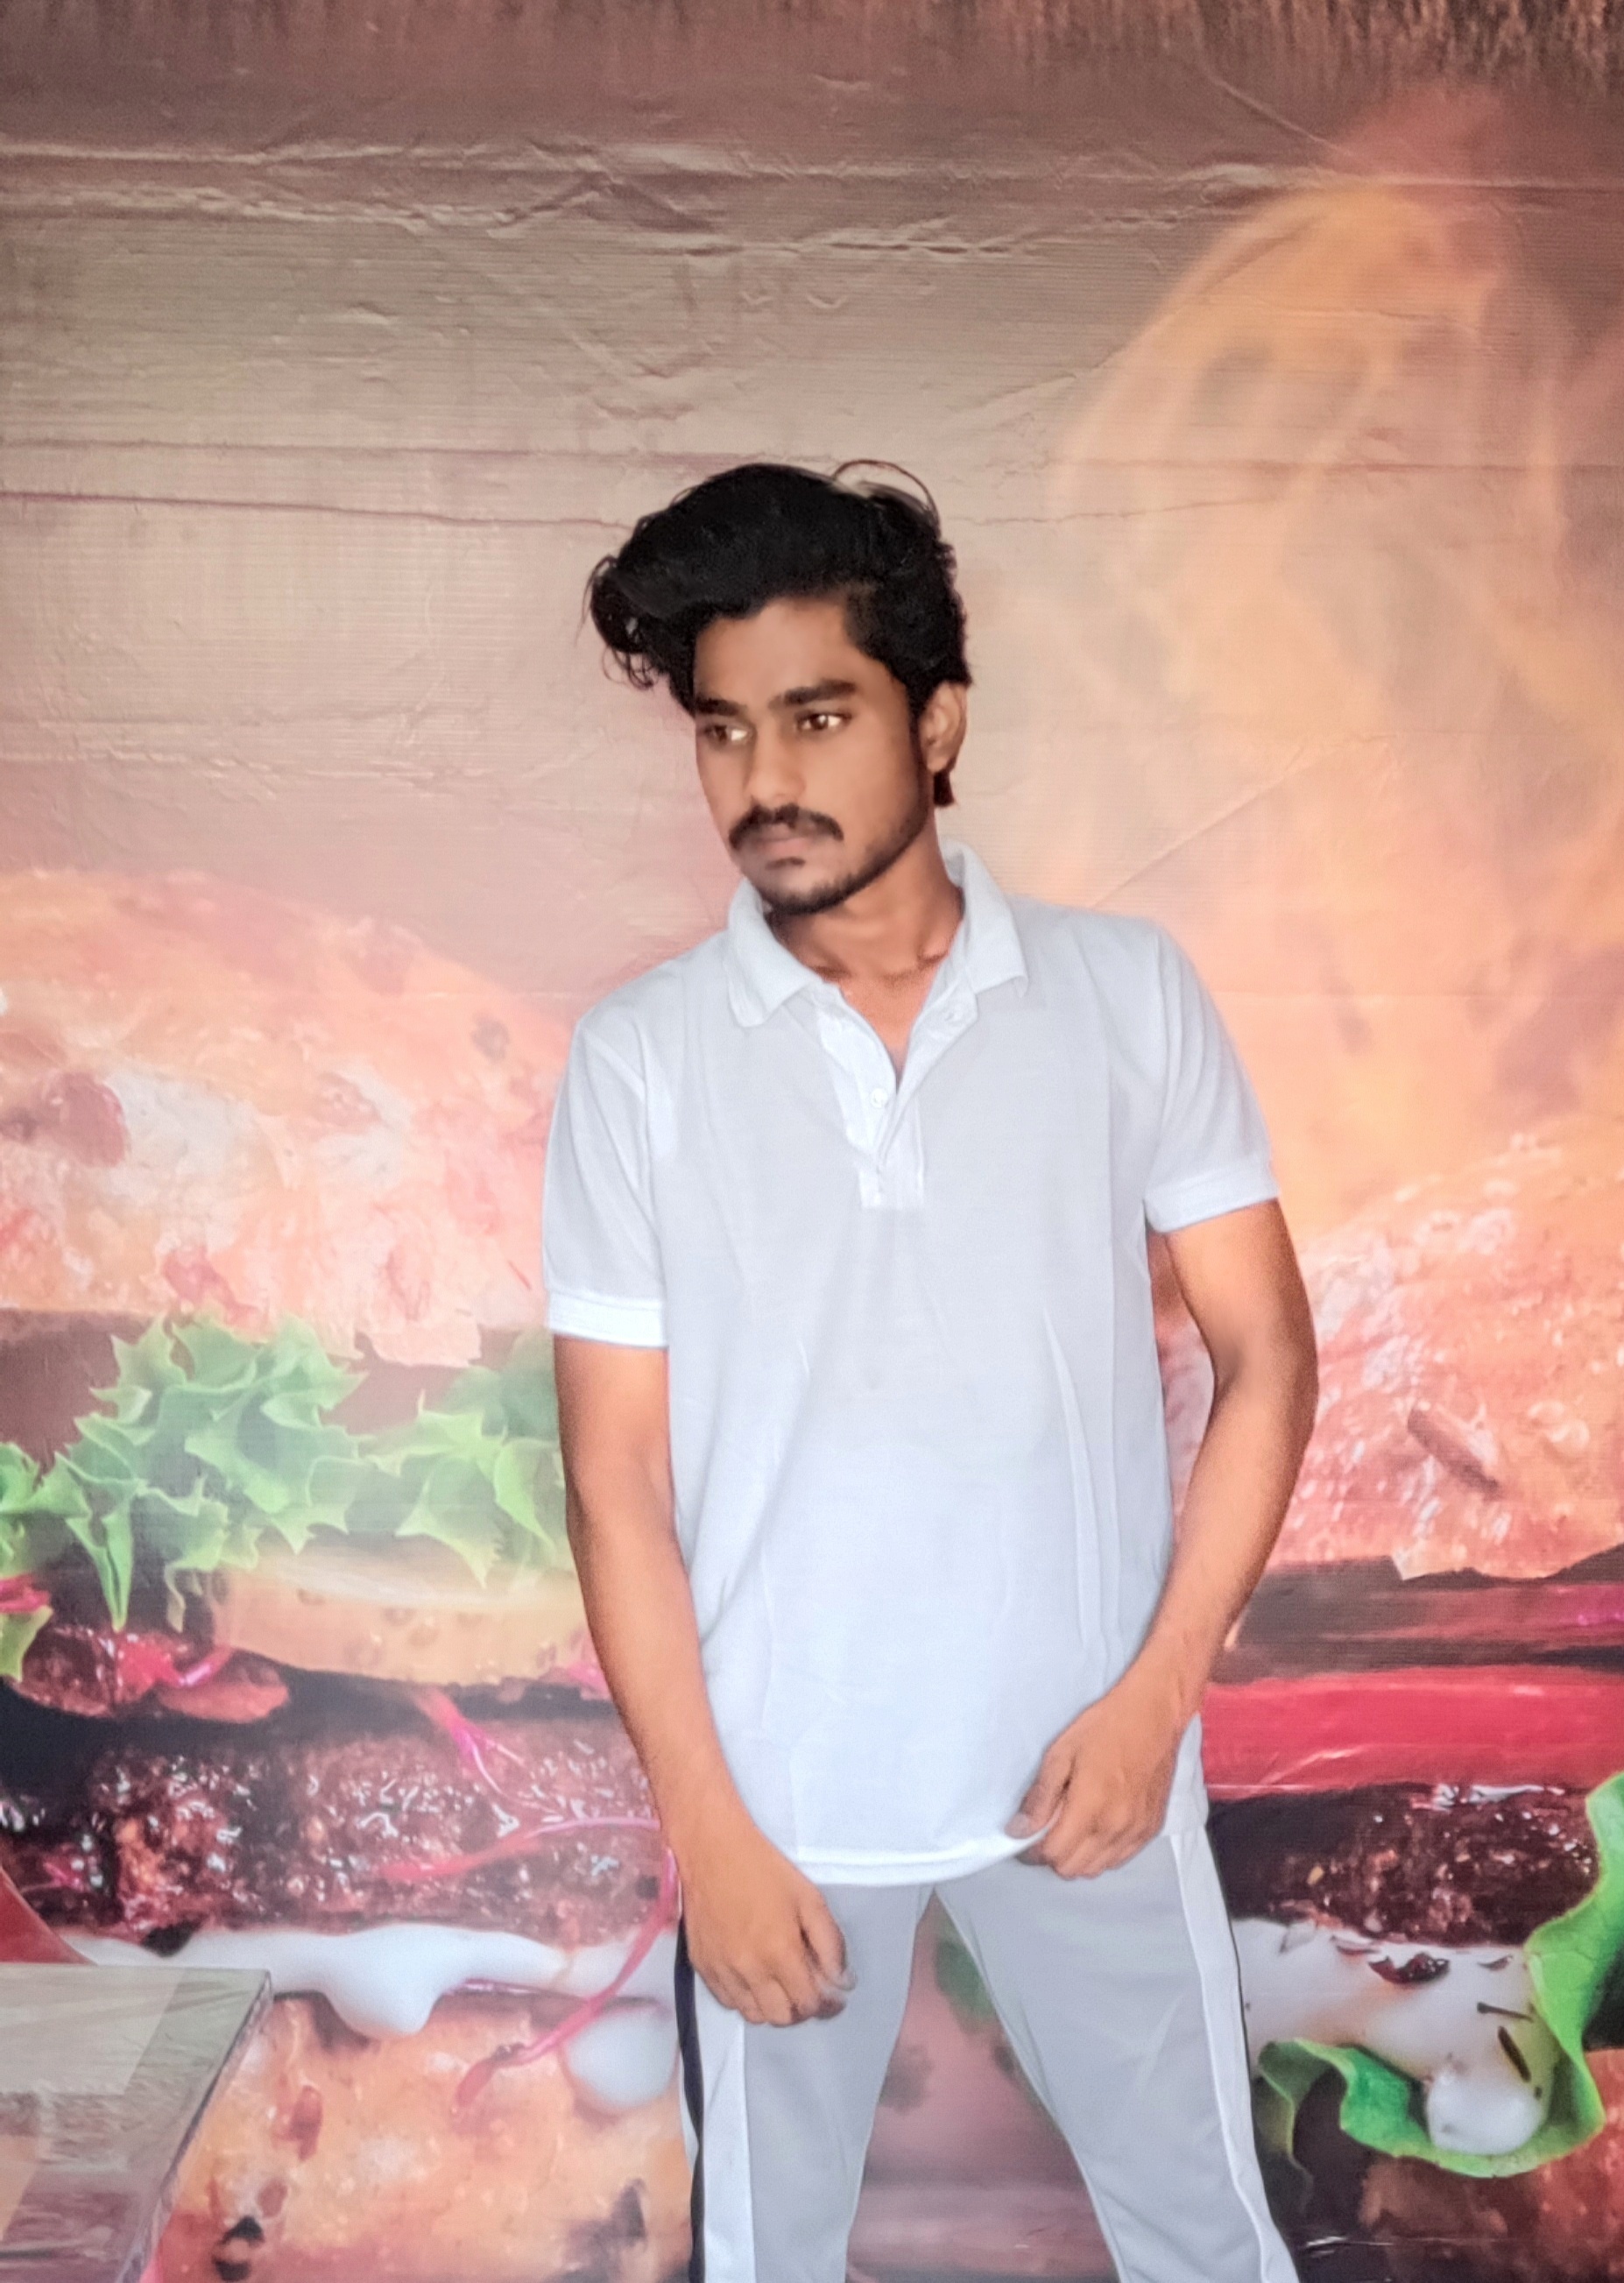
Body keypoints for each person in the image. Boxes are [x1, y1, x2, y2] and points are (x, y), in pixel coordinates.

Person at [544, 461, 1317, 2283]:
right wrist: (710, 1831)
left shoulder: (1124, 993)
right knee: (770, 2262)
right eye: (723, 729)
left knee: (1208, 2244)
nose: (764, 779)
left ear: (937, 720)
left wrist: (1154, 1706)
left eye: (817, 716)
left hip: (1089, 1779)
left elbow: (1270, 1355)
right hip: (783, 1807)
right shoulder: (638, 1058)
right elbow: (613, 1482)